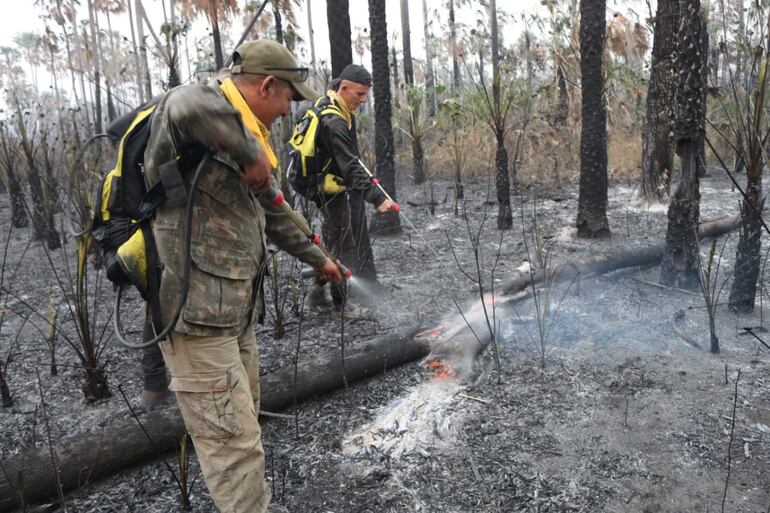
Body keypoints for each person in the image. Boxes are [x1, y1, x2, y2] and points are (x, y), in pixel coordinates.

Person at [143, 40, 341, 513]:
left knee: (243, 425)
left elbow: (275, 213)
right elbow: (184, 100)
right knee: (234, 448)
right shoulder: (199, 110)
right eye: (287, 100)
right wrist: (248, 147)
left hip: (233, 314)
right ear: (267, 84)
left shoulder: (245, 133)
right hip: (195, 318)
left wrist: (321, 260)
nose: (286, 112)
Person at [303, 64, 397, 318]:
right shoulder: (334, 120)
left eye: (366, 94)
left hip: (321, 187)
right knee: (345, 247)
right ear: (343, 88)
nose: (363, 100)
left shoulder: (327, 105)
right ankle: (341, 305)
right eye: (359, 94)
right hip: (329, 190)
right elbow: (349, 166)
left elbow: (348, 161)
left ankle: (317, 291)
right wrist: (377, 199)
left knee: (334, 241)